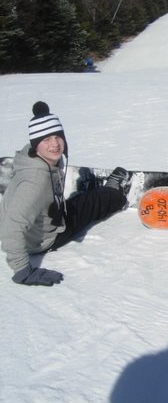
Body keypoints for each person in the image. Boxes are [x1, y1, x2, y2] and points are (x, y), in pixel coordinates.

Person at [0, 102, 131, 286]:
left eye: (57, 136)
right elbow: (10, 229)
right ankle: (115, 194)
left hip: (41, 224)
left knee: (76, 203)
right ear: (36, 145)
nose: (55, 144)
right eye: (46, 140)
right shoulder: (35, 182)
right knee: (89, 204)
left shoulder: (32, 158)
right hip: (45, 238)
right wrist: (23, 271)